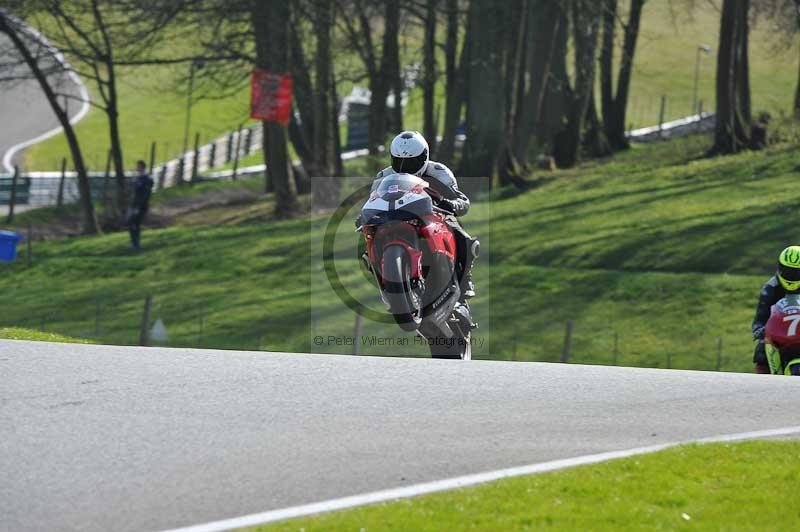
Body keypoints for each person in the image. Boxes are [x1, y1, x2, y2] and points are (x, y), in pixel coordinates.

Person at [371, 131, 477, 299]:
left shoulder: (439, 172)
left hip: (431, 215)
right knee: (368, 239)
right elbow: (373, 201)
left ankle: (465, 279)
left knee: (461, 235)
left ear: (424, 157)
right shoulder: (383, 177)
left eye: (412, 161)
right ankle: (386, 281)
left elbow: (461, 200)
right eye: (399, 161)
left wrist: (450, 204)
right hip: (395, 218)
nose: (405, 167)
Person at [751, 245, 800, 373]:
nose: (791, 276)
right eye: (787, 271)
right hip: (779, 335)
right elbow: (760, 317)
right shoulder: (770, 288)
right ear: (779, 268)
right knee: (761, 353)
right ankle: (765, 386)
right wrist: (759, 330)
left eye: (796, 273)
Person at [127, 160, 154, 251]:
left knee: (134, 223)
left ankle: (136, 245)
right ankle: (134, 243)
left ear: (142, 167)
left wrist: (138, 207)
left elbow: (145, 195)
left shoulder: (147, 180)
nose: (136, 168)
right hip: (133, 205)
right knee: (130, 223)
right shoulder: (137, 178)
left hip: (139, 206)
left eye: (138, 166)